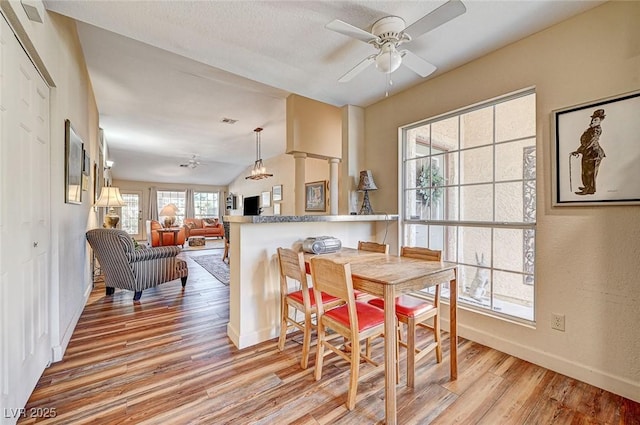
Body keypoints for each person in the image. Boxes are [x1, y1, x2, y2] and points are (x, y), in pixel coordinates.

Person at [571, 109, 606, 195]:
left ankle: (590, 189)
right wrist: (579, 150)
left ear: (600, 121)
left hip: (594, 153)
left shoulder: (596, 130)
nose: (593, 121)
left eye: (596, 120)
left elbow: (590, 142)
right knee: (585, 171)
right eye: (593, 119)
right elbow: (585, 142)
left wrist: (579, 151)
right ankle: (587, 187)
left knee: (590, 172)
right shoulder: (591, 129)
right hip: (587, 152)